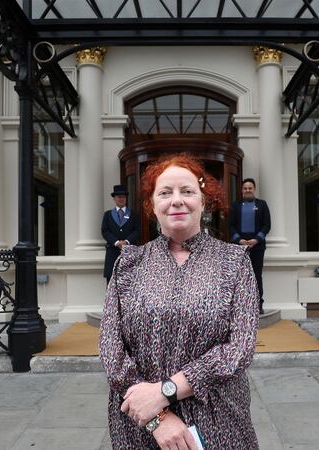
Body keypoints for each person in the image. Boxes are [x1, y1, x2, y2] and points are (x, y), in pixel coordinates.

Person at [99, 154, 260, 449]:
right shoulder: (129, 263)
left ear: (204, 201)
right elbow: (112, 351)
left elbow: (240, 349)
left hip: (218, 417)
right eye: (165, 192)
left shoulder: (234, 262)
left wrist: (165, 392)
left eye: (187, 191)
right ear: (152, 205)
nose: (176, 200)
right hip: (142, 424)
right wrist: (158, 417)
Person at [228, 178, 271, 314]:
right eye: (245, 188)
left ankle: (258, 305)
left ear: (254, 189)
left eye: (250, 188)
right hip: (239, 247)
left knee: (256, 275)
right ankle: (241, 306)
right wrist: (239, 240)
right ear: (242, 190)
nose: (247, 190)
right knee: (240, 277)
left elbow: (267, 225)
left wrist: (256, 239)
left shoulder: (262, 205)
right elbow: (231, 226)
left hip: (257, 247)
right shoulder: (235, 205)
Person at [101, 184, 140, 285]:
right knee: (111, 284)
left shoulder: (133, 214)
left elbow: (137, 231)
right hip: (112, 253)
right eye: (119, 196)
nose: (121, 199)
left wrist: (126, 242)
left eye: (123, 196)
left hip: (129, 253)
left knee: (129, 284)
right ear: (114, 198)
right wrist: (117, 242)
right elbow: (105, 231)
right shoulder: (108, 215)